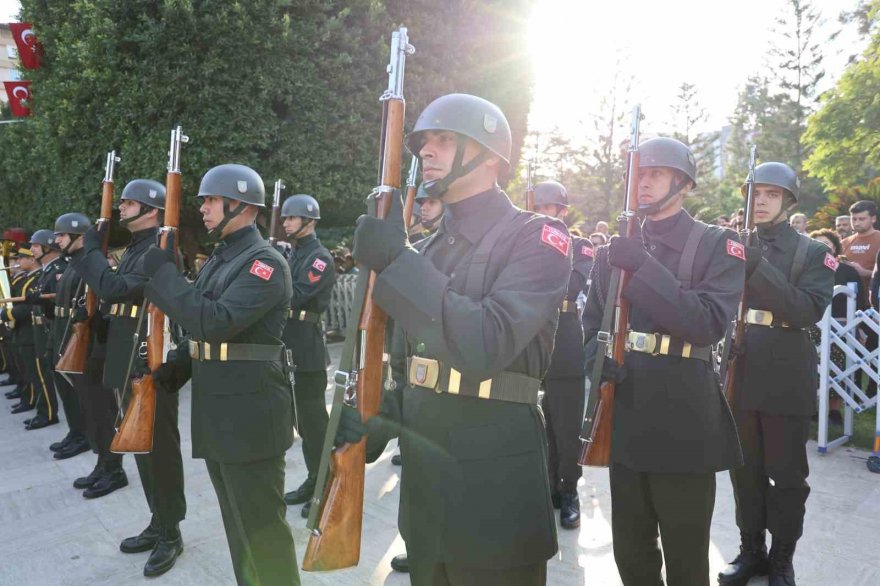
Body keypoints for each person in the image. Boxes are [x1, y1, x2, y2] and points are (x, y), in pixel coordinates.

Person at [343, 93, 571, 585]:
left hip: (496, 499)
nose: (426, 151)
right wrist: (372, 423)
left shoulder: (537, 237)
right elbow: (413, 364)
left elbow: (484, 343)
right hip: (426, 499)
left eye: (444, 139)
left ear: (490, 155)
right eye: (424, 142)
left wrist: (397, 262)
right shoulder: (425, 248)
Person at [583, 137, 744, 585]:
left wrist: (644, 268)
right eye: (638, 173)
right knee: (631, 551)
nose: (643, 182)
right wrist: (597, 363)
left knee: (685, 552)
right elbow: (591, 324)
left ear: (683, 184)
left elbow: (707, 323)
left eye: (655, 173)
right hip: (627, 410)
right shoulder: (613, 250)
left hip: (684, 417)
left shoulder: (716, 244)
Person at [142, 163, 299, 586]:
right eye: (204, 201)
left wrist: (163, 275)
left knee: (262, 533)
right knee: (238, 530)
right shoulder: (222, 259)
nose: (204, 208)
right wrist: (181, 364)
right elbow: (204, 333)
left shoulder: (264, 263)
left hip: (250, 418)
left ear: (241, 205)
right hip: (220, 415)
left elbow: (216, 320)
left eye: (211, 200)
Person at [719, 162, 833, 586]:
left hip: (787, 370)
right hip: (741, 366)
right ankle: (752, 551)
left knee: (786, 475)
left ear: (787, 200)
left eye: (770, 194)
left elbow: (805, 309)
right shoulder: (731, 243)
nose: (760, 202)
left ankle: (782, 557)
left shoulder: (814, 252)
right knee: (743, 469)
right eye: (755, 194)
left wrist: (756, 266)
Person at [71, 179, 187, 577]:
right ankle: (158, 521)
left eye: (129, 203)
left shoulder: (161, 249)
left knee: (161, 452)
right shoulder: (136, 248)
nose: (120, 208)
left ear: (152, 209)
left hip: (149, 363)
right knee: (139, 447)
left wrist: (90, 252)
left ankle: (171, 532)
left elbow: (115, 287)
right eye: (119, 201)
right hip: (126, 360)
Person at [55, 212, 130, 499]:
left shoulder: (100, 261)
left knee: (105, 411)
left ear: (79, 236)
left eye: (62, 234)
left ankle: (114, 469)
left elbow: (115, 293)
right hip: (86, 347)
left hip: (101, 346)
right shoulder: (76, 263)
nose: (57, 240)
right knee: (93, 411)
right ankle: (103, 463)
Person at [533, 180, 591, 530]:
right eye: (535, 208)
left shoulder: (580, 246)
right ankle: (543, 487)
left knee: (567, 424)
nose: (540, 215)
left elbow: (570, 285)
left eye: (546, 208)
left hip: (565, 338)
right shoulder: (518, 242)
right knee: (536, 425)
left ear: (562, 212)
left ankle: (568, 490)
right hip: (530, 337)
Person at [278, 193, 336, 521]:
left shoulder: (319, 258)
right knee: (302, 420)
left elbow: (297, 294)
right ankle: (314, 478)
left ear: (309, 221)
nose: (286, 222)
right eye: (285, 217)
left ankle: (326, 483)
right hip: (288, 344)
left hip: (308, 349)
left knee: (314, 423)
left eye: (292, 218)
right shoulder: (292, 253)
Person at [840, 200, 880, 291]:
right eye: (854, 219)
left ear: (873, 219)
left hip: (874, 299)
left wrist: (865, 272)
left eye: (862, 219)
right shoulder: (844, 243)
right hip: (849, 300)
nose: (857, 223)